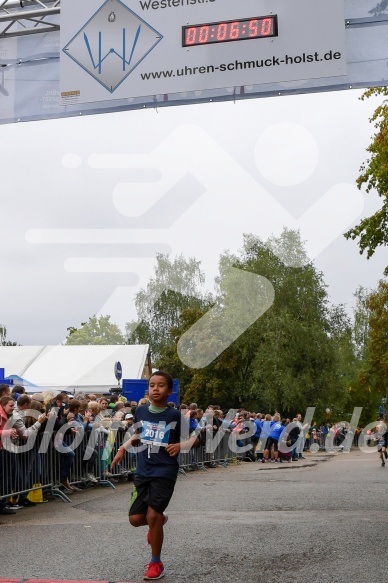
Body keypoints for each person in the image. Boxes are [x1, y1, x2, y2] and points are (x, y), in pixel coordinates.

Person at [111, 371, 197, 581]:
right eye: (152, 385)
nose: (155, 389)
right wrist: (123, 448)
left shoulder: (175, 415)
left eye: (160, 385)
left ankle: (156, 562)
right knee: (135, 519)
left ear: (169, 391)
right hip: (143, 470)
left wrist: (179, 445)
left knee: (151, 515)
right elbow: (138, 435)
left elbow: (197, 439)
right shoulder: (140, 411)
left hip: (164, 471)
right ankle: (159, 521)